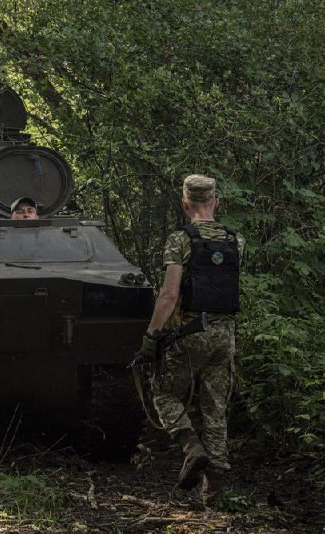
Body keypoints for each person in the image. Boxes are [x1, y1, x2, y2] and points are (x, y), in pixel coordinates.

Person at [136, 174, 246, 503]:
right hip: (225, 335)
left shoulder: (180, 239)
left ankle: (191, 446)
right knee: (215, 409)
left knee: (164, 394)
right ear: (217, 202)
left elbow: (169, 295)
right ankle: (215, 489)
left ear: (185, 204)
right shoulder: (235, 240)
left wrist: (151, 337)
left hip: (189, 333)